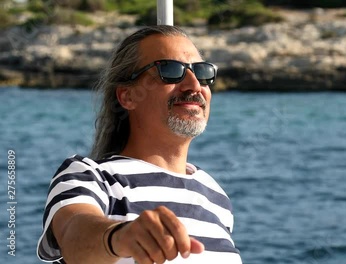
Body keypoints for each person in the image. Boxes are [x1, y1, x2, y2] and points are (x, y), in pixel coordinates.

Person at [37, 25, 242, 264]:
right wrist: (119, 237)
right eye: (170, 70)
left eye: (202, 72)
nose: (194, 85)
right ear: (127, 96)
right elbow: (74, 234)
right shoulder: (91, 177)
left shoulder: (215, 196)